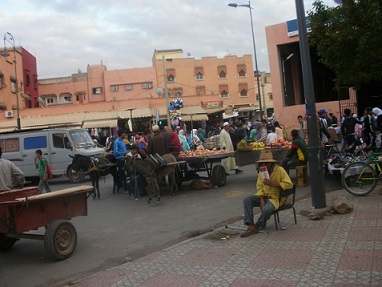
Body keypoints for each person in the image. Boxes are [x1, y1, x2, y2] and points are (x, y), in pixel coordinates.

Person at [240, 150, 293, 237]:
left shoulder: (280, 170)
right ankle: (250, 225)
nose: (264, 165)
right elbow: (259, 187)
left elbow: (289, 184)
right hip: (263, 196)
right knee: (247, 200)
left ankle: (259, 224)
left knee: (266, 209)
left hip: (275, 198)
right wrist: (261, 200)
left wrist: (274, 184)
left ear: (271, 163)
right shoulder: (262, 172)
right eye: (262, 163)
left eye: (266, 163)